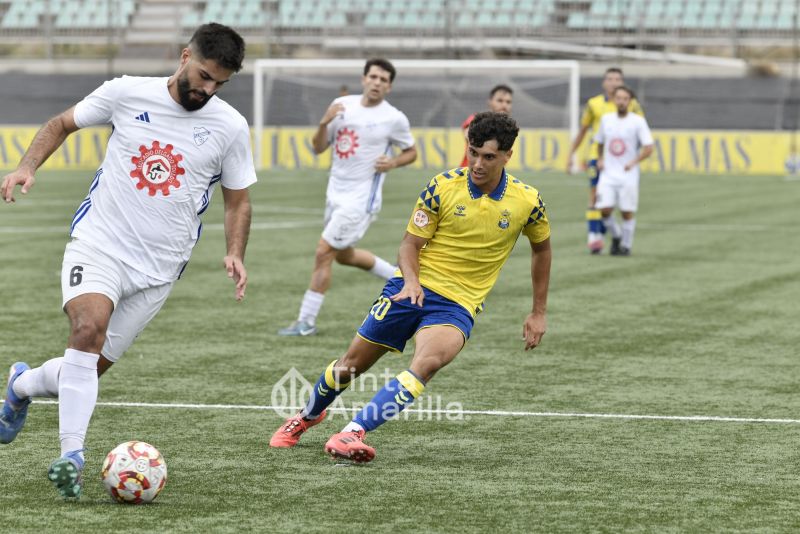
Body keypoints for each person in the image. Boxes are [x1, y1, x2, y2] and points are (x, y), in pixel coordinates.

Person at [0, 23, 256, 499]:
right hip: (99, 244)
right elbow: (60, 124)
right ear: (184, 56)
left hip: (160, 269)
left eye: (219, 83)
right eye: (202, 76)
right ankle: (71, 457)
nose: (207, 89)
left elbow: (238, 200)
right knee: (85, 330)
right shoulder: (125, 92)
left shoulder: (229, 126)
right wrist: (26, 167)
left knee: (85, 369)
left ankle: (21, 386)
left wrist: (235, 251)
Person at [269, 112, 551, 463]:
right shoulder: (443, 186)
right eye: (473, 152)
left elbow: (542, 250)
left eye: (488, 157)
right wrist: (413, 282)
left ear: (508, 155)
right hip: (409, 289)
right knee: (351, 365)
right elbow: (408, 245)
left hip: (458, 304)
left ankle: (352, 432)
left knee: (427, 363)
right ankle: (307, 416)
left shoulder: (527, 201)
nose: (477, 163)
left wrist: (538, 312)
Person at [278, 58, 417, 337]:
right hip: (335, 193)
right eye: (373, 77)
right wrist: (323, 122)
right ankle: (398, 277)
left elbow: (411, 152)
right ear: (364, 79)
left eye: (383, 80)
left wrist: (392, 163)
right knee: (343, 256)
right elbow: (317, 148)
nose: (377, 83)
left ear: (389, 87)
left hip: (360, 199)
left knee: (323, 251)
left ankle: (306, 321)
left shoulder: (393, 118)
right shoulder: (342, 107)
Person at [565, 67, 644, 254]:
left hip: (622, 162)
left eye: (617, 79)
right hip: (597, 157)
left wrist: (633, 159)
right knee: (594, 195)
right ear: (604, 82)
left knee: (618, 204)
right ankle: (595, 236)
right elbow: (583, 131)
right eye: (610, 78)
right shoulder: (594, 104)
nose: (613, 82)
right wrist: (571, 155)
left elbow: (639, 131)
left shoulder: (632, 105)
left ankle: (614, 235)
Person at [594, 86, 654, 256]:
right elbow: (599, 141)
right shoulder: (606, 120)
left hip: (628, 175)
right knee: (604, 210)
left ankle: (626, 246)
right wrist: (600, 159)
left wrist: (633, 162)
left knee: (627, 212)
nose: (621, 101)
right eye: (618, 98)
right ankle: (617, 235)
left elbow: (649, 147)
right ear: (614, 100)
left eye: (625, 98)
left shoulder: (637, 121)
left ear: (630, 101)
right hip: (608, 174)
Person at [460, 84, 513, 167]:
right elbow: (467, 134)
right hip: (470, 173)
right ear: (490, 102)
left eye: (508, 102)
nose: (504, 105)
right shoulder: (478, 120)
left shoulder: (508, 128)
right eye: (500, 100)